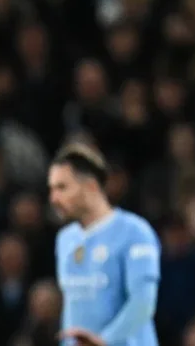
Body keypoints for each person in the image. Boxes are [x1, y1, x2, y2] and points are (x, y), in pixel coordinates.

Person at [49, 143, 160, 346]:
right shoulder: (65, 239)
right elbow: (72, 310)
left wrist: (104, 341)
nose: (54, 198)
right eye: (52, 189)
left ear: (90, 186)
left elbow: (143, 303)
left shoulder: (135, 232)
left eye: (62, 187)